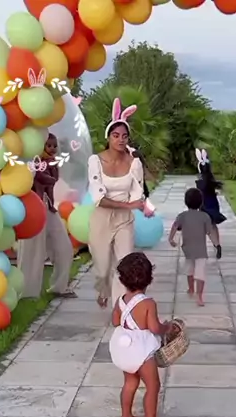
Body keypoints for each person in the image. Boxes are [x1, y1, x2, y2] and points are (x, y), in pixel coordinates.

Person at [87, 99, 152, 309]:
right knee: (102, 268)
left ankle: (119, 309)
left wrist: (140, 204)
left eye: (124, 136)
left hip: (125, 221)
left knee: (124, 266)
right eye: (116, 135)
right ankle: (103, 289)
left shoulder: (134, 163)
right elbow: (98, 197)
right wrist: (128, 205)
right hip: (101, 220)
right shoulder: (95, 161)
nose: (121, 140)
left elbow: (137, 192)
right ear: (108, 137)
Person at [109, 252, 171, 417]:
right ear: (149, 279)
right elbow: (154, 327)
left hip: (125, 349)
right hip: (142, 352)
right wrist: (166, 328)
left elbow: (115, 321)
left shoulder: (120, 301)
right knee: (153, 385)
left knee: (130, 382)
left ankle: (126, 416)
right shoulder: (148, 303)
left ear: (122, 279)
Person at [18, 133, 75, 298]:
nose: (52, 149)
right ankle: (26, 293)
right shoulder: (30, 161)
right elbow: (40, 178)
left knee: (64, 247)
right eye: (48, 146)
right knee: (32, 251)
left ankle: (59, 287)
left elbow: (52, 180)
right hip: (32, 208)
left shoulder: (51, 162)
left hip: (48, 207)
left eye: (54, 146)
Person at [168, 187, 219, 307]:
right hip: (201, 251)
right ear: (201, 202)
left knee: (190, 270)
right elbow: (210, 232)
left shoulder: (182, 216)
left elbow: (175, 226)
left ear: (186, 201)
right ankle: (199, 297)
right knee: (200, 273)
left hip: (187, 249)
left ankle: (191, 288)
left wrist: (171, 239)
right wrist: (217, 244)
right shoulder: (205, 216)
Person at [195, 148, 225, 259]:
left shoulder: (201, 181)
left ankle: (210, 245)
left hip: (204, 206)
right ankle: (217, 245)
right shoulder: (210, 179)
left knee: (205, 227)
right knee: (213, 225)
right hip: (214, 205)